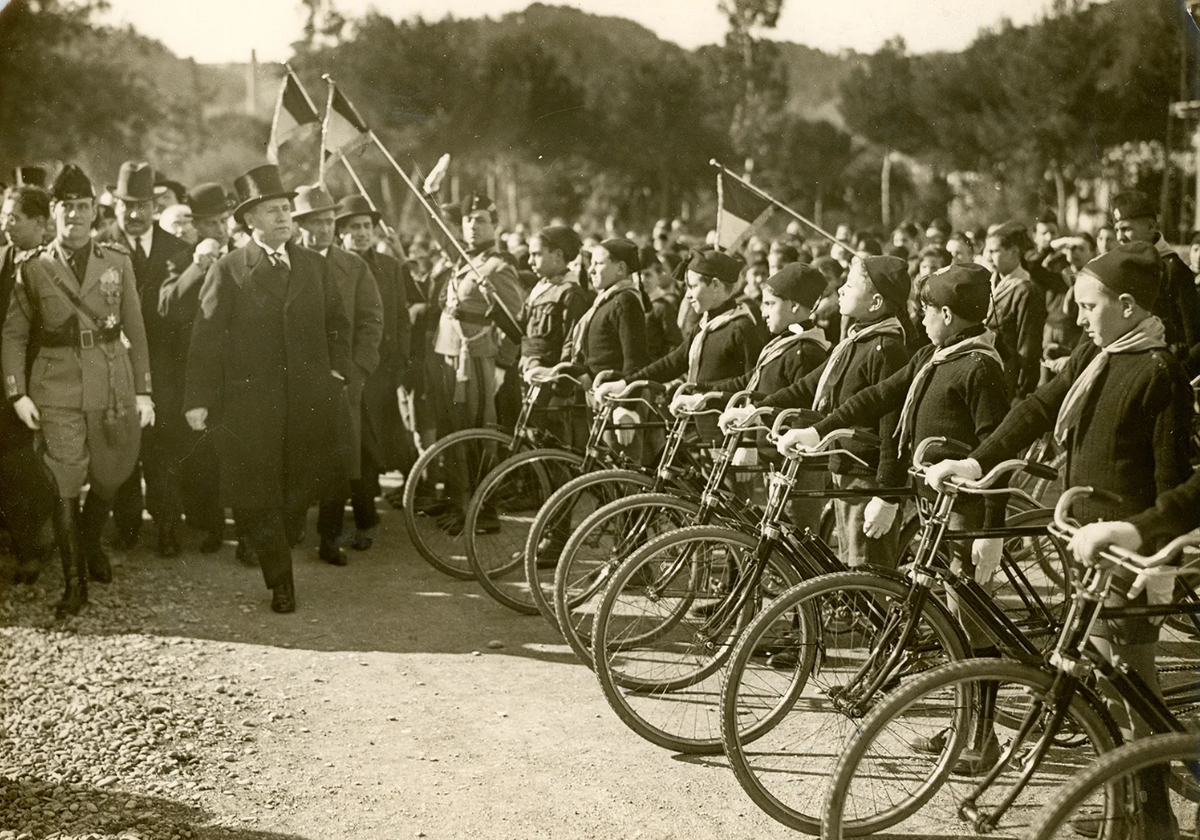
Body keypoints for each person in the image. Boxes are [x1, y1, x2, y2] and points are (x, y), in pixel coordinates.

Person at [927, 241, 1192, 791]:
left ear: (1127, 305)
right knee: (1106, 686)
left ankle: (1153, 816)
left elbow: (1171, 479)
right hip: (1085, 543)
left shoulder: (1157, 370)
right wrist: (976, 461)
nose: (1078, 317)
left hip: (1128, 554)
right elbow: (1038, 408)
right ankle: (1129, 807)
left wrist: (1155, 558)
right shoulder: (1096, 356)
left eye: (1088, 307)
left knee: (1134, 696)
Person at [780, 262, 1010, 697]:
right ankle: (895, 686)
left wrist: (992, 532)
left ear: (948, 315)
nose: (918, 317)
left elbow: (997, 454)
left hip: (967, 514)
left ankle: (981, 738)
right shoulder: (931, 357)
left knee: (972, 623)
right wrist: (819, 429)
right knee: (945, 611)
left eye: (926, 309)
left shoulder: (980, 367)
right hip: (934, 507)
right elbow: (877, 397)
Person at [184, 164, 351, 614]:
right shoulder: (230, 269)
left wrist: (337, 371)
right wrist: (198, 399)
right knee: (256, 493)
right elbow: (206, 338)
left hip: (308, 401)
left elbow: (338, 323)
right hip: (250, 405)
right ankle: (281, 582)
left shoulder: (314, 266)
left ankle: (277, 537)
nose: (283, 218)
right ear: (249, 220)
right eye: (272, 211)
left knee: (302, 484)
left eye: (286, 209)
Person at [2, 164, 155, 617]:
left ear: (94, 212)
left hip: (111, 381)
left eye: (83, 207)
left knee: (111, 472)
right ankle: (75, 584)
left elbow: (137, 329)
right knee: (66, 479)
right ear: (53, 212)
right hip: (56, 388)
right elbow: (13, 334)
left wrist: (144, 391)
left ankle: (89, 545)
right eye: (66, 208)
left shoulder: (117, 263)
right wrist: (18, 393)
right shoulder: (35, 268)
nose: (75, 216)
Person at [757, 256, 912, 568]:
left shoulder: (886, 347)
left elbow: (894, 429)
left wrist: (888, 496)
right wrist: (759, 405)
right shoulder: (857, 339)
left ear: (876, 302)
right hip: (847, 471)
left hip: (869, 479)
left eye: (850, 285)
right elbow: (808, 386)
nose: (840, 290)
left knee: (868, 573)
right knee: (852, 567)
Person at [291, 184, 383, 565]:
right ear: (300, 226)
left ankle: (330, 538)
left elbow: (370, 322)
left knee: (339, 460)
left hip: (342, 379)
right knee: (293, 455)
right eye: (315, 222)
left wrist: (357, 370)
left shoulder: (354, 267)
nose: (324, 229)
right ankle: (291, 528)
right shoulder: (288, 263)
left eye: (329, 221)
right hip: (294, 377)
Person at [106, 161, 192, 558]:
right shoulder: (99, 245)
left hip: (164, 369)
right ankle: (125, 527)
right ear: (116, 207)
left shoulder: (178, 250)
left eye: (143, 205)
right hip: (113, 367)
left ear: (155, 206)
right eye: (128, 206)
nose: (136, 214)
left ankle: (168, 526)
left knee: (163, 452)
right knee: (121, 447)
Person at [430, 193, 524, 534]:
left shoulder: (498, 267)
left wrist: (501, 366)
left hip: (478, 361)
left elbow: (516, 324)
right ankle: (460, 505)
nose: (473, 225)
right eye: (469, 220)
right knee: (456, 431)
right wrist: (431, 195)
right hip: (454, 357)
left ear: (496, 226)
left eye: (481, 219)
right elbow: (439, 228)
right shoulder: (464, 260)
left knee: (480, 433)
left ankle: (486, 511)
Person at [331, 193, 411, 551]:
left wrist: (400, 365)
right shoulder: (331, 266)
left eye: (367, 227)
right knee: (354, 442)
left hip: (381, 370)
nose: (362, 234)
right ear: (340, 233)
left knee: (376, 439)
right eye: (353, 228)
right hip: (347, 370)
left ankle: (368, 509)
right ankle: (359, 513)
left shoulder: (390, 267)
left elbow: (401, 318)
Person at [156, 182, 233, 554]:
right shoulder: (179, 256)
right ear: (196, 226)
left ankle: (245, 533)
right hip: (196, 372)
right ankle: (209, 525)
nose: (219, 229)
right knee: (200, 454)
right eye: (210, 223)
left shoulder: (244, 255)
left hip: (237, 372)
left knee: (236, 452)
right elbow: (167, 305)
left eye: (224, 221)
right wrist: (197, 265)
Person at [0, 185, 57, 585]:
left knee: (24, 467)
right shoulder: (3, 258)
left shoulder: (52, 265)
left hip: (40, 381)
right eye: (4, 215)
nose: (6, 224)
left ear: (40, 223)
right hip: (6, 384)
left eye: (14, 217)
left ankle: (34, 547)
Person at [1111, 190, 1200, 369]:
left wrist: (1180, 376)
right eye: (1117, 230)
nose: (1120, 237)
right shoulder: (1121, 267)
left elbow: (1195, 338)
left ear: (1151, 227)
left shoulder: (1172, 269)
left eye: (1127, 229)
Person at [983, 221, 1046, 401]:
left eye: (994, 251)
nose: (987, 257)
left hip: (1009, 382)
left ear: (1014, 252)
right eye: (986, 251)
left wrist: (1021, 392)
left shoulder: (1026, 291)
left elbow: (1029, 349)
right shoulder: (990, 284)